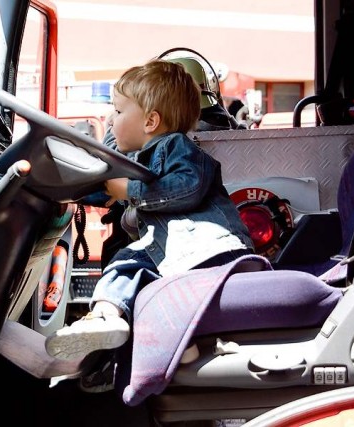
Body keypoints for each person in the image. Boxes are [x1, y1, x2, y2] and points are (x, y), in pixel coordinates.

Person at [44, 59, 254, 380]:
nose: (109, 119)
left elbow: (188, 187)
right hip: (176, 256)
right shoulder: (138, 160)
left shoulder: (175, 145)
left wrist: (129, 190)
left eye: (117, 111)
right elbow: (106, 191)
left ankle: (117, 321)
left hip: (208, 250)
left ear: (151, 121)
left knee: (127, 261)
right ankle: (114, 321)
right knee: (127, 263)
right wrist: (58, 192)